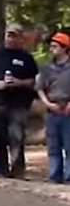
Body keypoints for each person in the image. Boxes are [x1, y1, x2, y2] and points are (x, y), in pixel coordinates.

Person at [0, 24, 38, 179]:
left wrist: (18, 82)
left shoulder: (27, 58)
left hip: (18, 104)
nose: (10, 38)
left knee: (16, 137)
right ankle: (0, 171)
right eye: (8, 35)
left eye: (14, 36)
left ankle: (18, 172)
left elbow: (34, 81)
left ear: (20, 38)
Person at [35, 31, 70, 184]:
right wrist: (47, 103)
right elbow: (39, 88)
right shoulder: (47, 68)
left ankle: (69, 177)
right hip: (52, 110)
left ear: (65, 48)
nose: (52, 49)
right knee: (53, 146)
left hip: (68, 109)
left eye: (55, 46)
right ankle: (54, 176)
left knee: (69, 146)